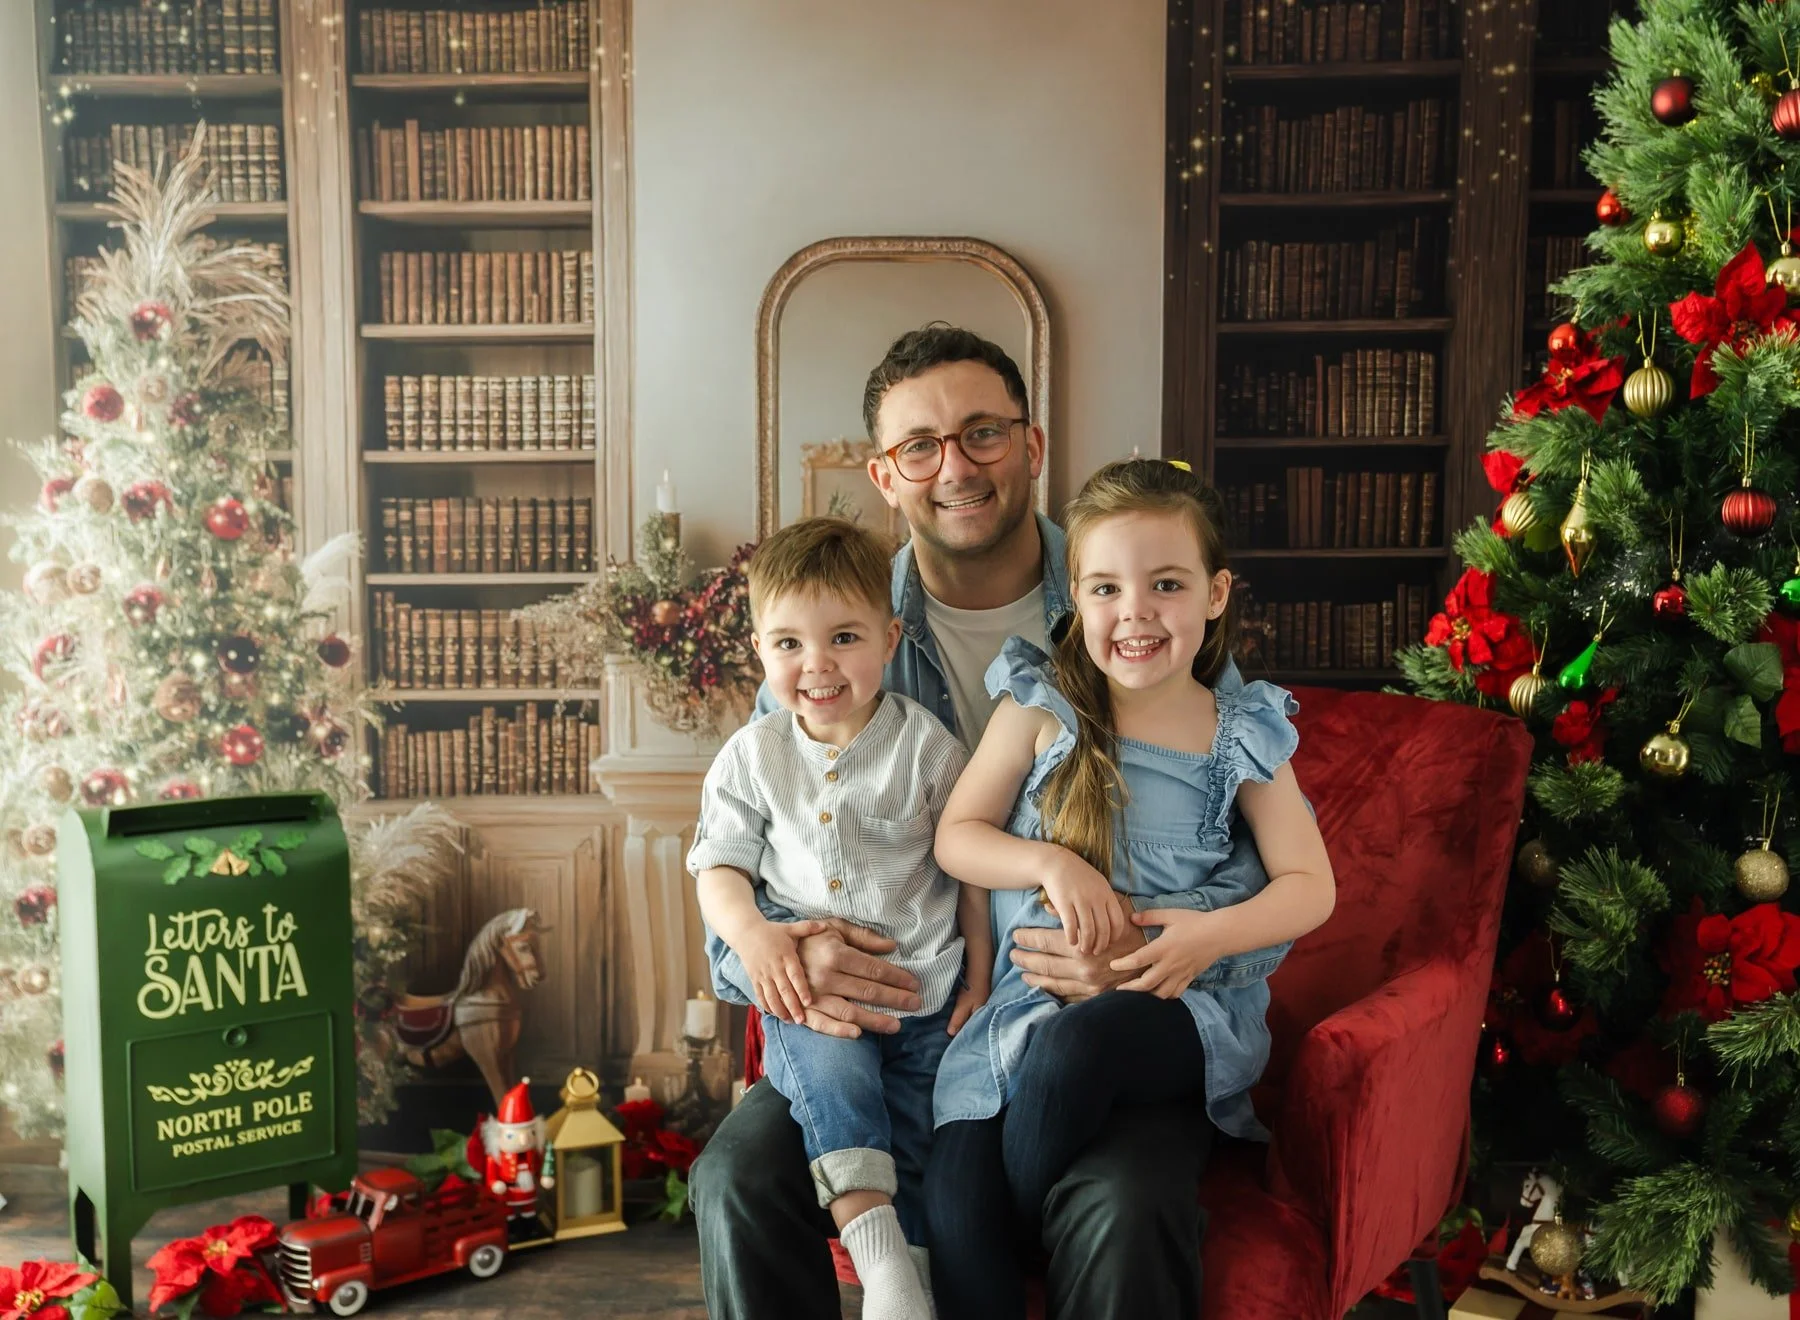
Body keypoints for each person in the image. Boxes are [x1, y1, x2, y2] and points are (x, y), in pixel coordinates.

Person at [690, 325, 1277, 1320]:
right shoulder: (834, 633)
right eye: (920, 446)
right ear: (885, 474)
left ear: (1033, 446)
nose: (954, 467)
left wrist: (1136, 963)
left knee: (1126, 1204)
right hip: (884, 1024)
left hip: (1073, 1019)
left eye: (983, 434)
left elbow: (1234, 848)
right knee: (737, 1179)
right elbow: (745, 850)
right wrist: (778, 957)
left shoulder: (1126, 600)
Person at [927, 458, 1337, 1319]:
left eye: (1167, 584)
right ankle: (1019, 1218)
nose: (1135, 613)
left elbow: (1310, 887)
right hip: (1021, 1012)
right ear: (1074, 596)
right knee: (954, 1200)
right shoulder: (1039, 707)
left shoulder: (1240, 733)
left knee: (1088, 1045)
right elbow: (958, 837)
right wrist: (1050, 862)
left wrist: (1200, 939)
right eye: (1106, 587)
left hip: (1175, 1011)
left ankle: (1033, 1215)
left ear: (1216, 594)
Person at [687, 517, 991, 1320]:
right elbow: (718, 865)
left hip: (924, 999)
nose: (815, 664)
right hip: (811, 999)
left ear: (890, 640)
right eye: (787, 643)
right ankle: (881, 1259)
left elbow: (969, 872)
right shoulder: (751, 757)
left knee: (925, 1140)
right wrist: (753, 938)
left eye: (844, 637)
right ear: (759, 651)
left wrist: (982, 975)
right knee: (833, 1084)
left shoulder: (929, 751)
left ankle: (910, 1283)